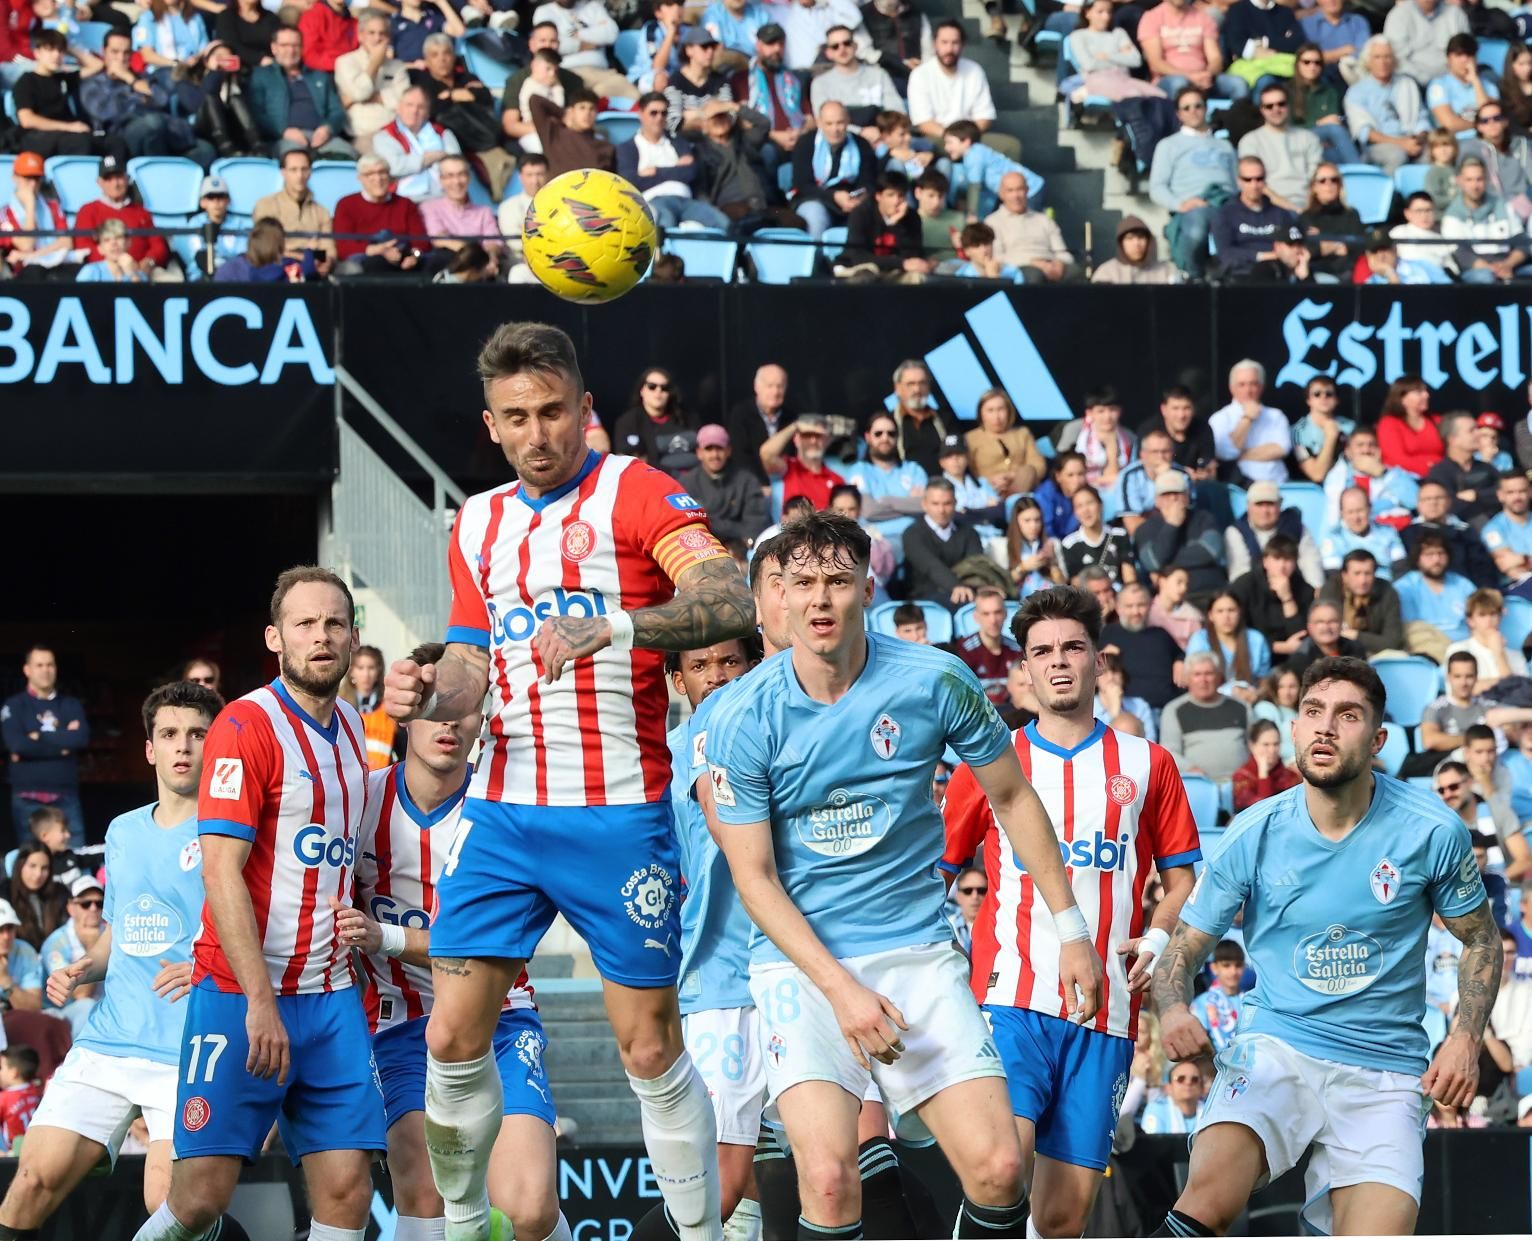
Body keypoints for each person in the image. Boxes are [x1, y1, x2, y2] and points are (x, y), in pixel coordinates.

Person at [381, 322, 754, 1241]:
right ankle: (467, 1223)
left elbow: (729, 595)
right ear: (493, 425)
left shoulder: (636, 490)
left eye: (554, 411)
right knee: (450, 1037)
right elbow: (472, 655)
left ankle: (700, 1235)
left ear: (586, 410)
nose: (539, 432)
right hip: (504, 812)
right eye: (518, 417)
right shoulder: (478, 521)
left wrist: (615, 628)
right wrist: (441, 691)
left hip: (618, 816)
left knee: (649, 1046)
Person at [702, 511, 1102, 1241]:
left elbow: (1012, 796)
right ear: (779, 597)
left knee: (998, 1168)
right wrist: (842, 989)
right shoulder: (741, 715)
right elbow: (753, 877)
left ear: (867, 588)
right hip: (802, 970)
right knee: (826, 1179)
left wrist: (1070, 928)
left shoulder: (934, 679)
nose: (821, 598)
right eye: (803, 582)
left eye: (838, 580)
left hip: (916, 952)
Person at [1148, 656, 1500, 1238]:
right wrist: (1174, 1007)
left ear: (1379, 737)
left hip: (1384, 1072)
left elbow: (1482, 939)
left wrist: (1464, 1039)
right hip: (1277, 1049)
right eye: (1312, 712)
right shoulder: (1254, 831)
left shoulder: (1432, 831)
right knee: (1204, 1203)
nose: (1325, 727)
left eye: (1348, 715)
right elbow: (1182, 950)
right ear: (1293, 728)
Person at [128, 568, 385, 1241]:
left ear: (354, 636)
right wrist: (259, 1000)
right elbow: (221, 870)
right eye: (304, 624)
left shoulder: (356, 729)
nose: (321, 636)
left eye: (334, 623)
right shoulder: (245, 724)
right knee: (201, 1197)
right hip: (243, 994)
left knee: (347, 1191)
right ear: (275, 637)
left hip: (331, 999)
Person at [941, 585, 1199, 1237]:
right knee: (1002, 1169)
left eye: (1072, 647)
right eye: (1042, 651)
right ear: (1023, 668)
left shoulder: (1147, 762)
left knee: (1061, 1216)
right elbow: (934, 872)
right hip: (1010, 1000)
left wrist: (1160, 933)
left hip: (1107, 1015)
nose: (1058, 661)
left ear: (1098, 660)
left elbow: (1182, 878)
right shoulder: (993, 761)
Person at [339, 641, 566, 1241]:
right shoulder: (359, 803)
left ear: (484, 718)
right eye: (434, 702)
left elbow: (492, 945)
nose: (447, 719)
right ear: (407, 712)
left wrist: (385, 936)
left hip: (500, 1016)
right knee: (423, 1192)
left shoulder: (509, 809)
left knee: (530, 1209)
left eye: (463, 705)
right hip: (400, 1023)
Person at [0, 682, 233, 1238]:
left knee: (171, 1205)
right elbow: (123, 932)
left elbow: (258, 935)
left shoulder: (232, 832)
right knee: (30, 1183)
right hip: (109, 1040)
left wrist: (210, 964)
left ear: (215, 745)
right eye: (169, 734)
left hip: (187, 1047)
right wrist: (85, 966)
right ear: (149, 748)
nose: (183, 747)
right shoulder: (122, 831)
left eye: (197, 735)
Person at [661, 586, 779, 1241]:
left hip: (799, 969)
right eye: (700, 666)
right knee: (724, 1181)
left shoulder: (783, 735)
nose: (716, 676)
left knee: (829, 1164)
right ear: (679, 680)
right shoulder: (666, 761)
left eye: (729, 662)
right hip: (717, 980)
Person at [1148, 88, 1238, 279]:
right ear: (1179, 114)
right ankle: (1193, 277)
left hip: (1228, 203)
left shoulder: (1225, 146)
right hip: (1193, 206)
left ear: (1206, 108)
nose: (1193, 111)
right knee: (1196, 230)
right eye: (1186, 108)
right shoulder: (1168, 145)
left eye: (1198, 106)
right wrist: (1181, 204)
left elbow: (1236, 182)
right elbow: (1157, 187)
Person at [3, 646, 88, 848]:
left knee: (74, 860)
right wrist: (62, 744)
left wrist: (38, 737)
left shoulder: (71, 705)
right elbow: (17, 744)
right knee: (32, 863)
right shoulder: (14, 706)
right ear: (27, 670)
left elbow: (80, 739)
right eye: (39, 665)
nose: (45, 670)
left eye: (50, 664)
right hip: (27, 798)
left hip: (65, 797)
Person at [247, 26, 355, 159]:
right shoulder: (261, 75)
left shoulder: (319, 76)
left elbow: (337, 111)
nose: (291, 51)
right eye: (284, 45)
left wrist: (327, 129)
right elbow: (256, 113)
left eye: (296, 45)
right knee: (296, 158)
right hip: (282, 139)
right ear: (274, 48)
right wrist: (283, 131)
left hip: (321, 137)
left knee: (349, 155)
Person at [841, 412, 927, 555]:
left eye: (891, 433)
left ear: (897, 437)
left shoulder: (914, 469)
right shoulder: (859, 471)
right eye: (878, 433)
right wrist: (908, 505)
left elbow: (925, 506)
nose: (885, 438)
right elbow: (869, 511)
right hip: (877, 542)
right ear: (867, 437)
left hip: (917, 538)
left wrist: (887, 501)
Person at [1132, 472, 1226, 600]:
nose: (1173, 499)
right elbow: (1153, 561)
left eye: (1177, 494)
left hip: (1211, 591)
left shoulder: (1204, 518)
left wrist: (1165, 564)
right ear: (1157, 501)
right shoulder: (1145, 529)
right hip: (1172, 598)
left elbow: (1212, 551)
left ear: (1187, 497)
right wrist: (1172, 525)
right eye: (1166, 495)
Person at [1159, 650, 1251, 780]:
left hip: (1241, 785)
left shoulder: (1241, 707)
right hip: (1197, 785)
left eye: (1209, 674)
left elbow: (1255, 745)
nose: (1203, 680)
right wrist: (1190, 769)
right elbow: (1169, 752)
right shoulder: (1174, 710)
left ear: (1219, 677)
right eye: (1197, 674)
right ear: (1187, 678)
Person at [906, 19, 1000, 145]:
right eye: (944, 42)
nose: (949, 49)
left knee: (1011, 146)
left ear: (962, 44)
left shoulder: (975, 71)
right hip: (936, 137)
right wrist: (952, 138)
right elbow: (924, 122)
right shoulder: (920, 75)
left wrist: (965, 138)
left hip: (969, 138)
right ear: (935, 44)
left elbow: (985, 116)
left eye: (955, 43)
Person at [1343, 37, 1428, 175]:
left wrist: (1417, 140)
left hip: (1410, 139)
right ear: (1368, 61)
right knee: (1397, 155)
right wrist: (1401, 143)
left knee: (1434, 153)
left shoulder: (1407, 84)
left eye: (1387, 57)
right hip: (1377, 147)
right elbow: (1366, 132)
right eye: (1377, 57)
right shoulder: (1356, 92)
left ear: (1394, 60)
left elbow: (1421, 119)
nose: (1383, 62)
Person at [333, 155, 429, 275]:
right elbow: (343, 247)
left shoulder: (405, 204)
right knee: (377, 263)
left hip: (404, 258)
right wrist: (379, 250)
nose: (378, 179)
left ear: (389, 176)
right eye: (370, 174)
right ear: (360, 178)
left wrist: (414, 256)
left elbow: (420, 241)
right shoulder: (346, 204)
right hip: (367, 260)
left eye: (382, 173)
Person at [1443, 155, 1532, 283]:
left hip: (1509, 264)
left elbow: (1521, 241)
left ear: (1486, 180)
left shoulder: (1504, 206)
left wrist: (1507, 264)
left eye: (1479, 179)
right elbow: (1460, 254)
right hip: (1476, 270)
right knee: (1485, 277)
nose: (1475, 185)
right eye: (1469, 180)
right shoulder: (1452, 216)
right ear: (1460, 181)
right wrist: (1492, 269)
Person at [1137, 0, 1246, 102]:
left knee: (1238, 84)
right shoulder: (1151, 18)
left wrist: (1208, 74)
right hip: (1169, 79)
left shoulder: (1203, 18)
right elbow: (1155, 63)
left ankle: (1239, 120)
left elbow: (1215, 58)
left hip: (1204, 78)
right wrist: (1189, 77)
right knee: (1180, 84)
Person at [335, 9, 411, 153]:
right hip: (364, 135)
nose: (377, 39)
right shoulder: (346, 62)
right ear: (360, 36)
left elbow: (404, 103)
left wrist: (371, 97)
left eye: (382, 34)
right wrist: (374, 63)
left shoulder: (397, 66)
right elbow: (360, 93)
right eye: (371, 33)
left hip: (396, 132)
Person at [1238, 84, 1322, 212]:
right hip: (1267, 206)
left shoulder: (1309, 138)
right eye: (1269, 106)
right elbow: (1254, 184)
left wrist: (1307, 209)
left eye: (1281, 104)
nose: (1275, 109)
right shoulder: (1250, 141)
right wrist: (1291, 209)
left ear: (1288, 106)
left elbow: (1317, 180)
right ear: (1262, 110)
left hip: (1307, 205)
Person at [680, 426, 770, 545]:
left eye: (719, 448)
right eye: (709, 449)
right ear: (699, 453)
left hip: (741, 547)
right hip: (702, 547)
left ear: (728, 450)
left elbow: (756, 522)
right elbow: (686, 525)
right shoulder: (686, 484)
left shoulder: (747, 481)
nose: (715, 455)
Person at [38, 874, 104, 1036]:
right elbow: (80, 994)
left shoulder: (110, 934)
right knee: (87, 1005)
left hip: (103, 1008)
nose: (93, 909)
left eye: (99, 903)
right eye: (85, 904)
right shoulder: (57, 943)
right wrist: (93, 947)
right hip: (63, 1013)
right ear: (70, 908)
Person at [532, 0, 637, 101]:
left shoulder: (593, 7)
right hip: (567, 72)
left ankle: (591, 97)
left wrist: (578, 35)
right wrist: (594, 42)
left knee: (635, 96)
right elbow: (551, 46)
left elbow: (611, 34)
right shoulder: (544, 12)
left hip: (602, 74)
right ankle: (589, 99)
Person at [251, 147, 338, 269]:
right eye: (293, 170)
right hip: (278, 267)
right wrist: (306, 256)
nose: (300, 175)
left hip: (314, 266)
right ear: (283, 173)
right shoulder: (266, 205)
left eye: (304, 169)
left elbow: (329, 250)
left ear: (310, 172)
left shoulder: (321, 211)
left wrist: (326, 263)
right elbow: (266, 248)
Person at [1209, 359, 1292, 486]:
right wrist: (1247, 418)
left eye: (1253, 384)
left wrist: (1241, 455)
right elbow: (1225, 453)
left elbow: (1282, 448)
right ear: (1232, 388)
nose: (1248, 390)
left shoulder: (1276, 416)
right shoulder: (1220, 418)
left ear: (1261, 387)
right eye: (1242, 385)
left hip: (1276, 485)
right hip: (1237, 488)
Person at [1395, 531, 1476, 659]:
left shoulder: (1463, 584)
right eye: (1429, 554)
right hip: (1427, 648)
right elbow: (1411, 628)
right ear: (1418, 558)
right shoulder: (1405, 587)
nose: (1436, 559)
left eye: (1440, 553)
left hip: (1466, 648)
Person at [838, 169, 931, 278]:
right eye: (890, 195)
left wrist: (897, 225)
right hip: (860, 269)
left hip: (895, 270)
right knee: (867, 274)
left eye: (901, 195)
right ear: (878, 196)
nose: (896, 201)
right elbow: (858, 256)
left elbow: (912, 258)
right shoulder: (861, 214)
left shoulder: (913, 217)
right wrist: (900, 263)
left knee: (917, 275)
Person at [984, 170, 1071, 283]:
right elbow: (997, 258)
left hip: (1051, 264)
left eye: (1020, 189)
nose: (1016, 196)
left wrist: (1059, 264)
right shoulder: (992, 222)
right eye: (1010, 190)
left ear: (1027, 191)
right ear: (1001, 194)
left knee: (1074, 272)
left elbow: (1063, 253)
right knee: (1034, 275)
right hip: (1019, 268)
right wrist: (1034, 263)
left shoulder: (1044, 220)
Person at [964, 389, 1046, 499]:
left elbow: (1039, 466)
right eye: (990, 410)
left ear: (1009, 411)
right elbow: (968, 474)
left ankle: (1014, 502)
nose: (997, 416)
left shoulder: (1022, 433)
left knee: (1028, 470)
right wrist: (991, 480)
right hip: (989, 490)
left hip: (1024, 486)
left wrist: (1012, 476)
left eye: (1000, 409)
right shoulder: (971, 438)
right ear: (981, 414)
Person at [725, 364, 794, 486]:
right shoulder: (741, 414)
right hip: (752, 486)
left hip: (787, 484)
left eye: (780, 386)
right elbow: (741, 457)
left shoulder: (792, 418)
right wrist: (763, 485)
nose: (775, 392)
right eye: (769, 386)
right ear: (756, 387)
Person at [952, 588, 1022, 704]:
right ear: (976, 617)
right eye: (986, 614)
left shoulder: (1016, 650)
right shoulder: (963, 650)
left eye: (997, 612)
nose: (993, 620)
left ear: (1005, 614)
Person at [1321, 486, 1408, 579]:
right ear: (1342, 514)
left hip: (1387, 587)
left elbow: (1401, 568)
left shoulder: (1388, 532)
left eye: (1360, 511)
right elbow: (1333, 576)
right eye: (1350, 512)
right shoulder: (1334, 538)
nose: (1356, 518)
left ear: (1369, 509)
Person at [761, 414, 844, 510]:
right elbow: (766, 454)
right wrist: (795, 426)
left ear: (827, 440)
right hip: (789, 524)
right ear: (796, 439)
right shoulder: (787, 468)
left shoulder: (837, 479)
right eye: (807, 435)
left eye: (818, 436)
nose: (813, 441)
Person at [1232, 717, 1300, 811]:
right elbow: (1261, 813)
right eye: (1266, 744)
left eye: (1276, 744)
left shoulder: (1290, 776)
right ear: (1252, 745)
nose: (1272, 750)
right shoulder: (1242, 777)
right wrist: (1263, 776)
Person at [1091, 215, 1179, 284]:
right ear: (1121, 243)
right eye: (1130, 238)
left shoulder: (1168, 271)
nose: (1136, 243)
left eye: (1141, 237)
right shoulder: (1106, 273)